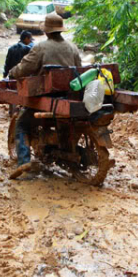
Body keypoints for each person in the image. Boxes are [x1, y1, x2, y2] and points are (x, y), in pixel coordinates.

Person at [7, 12, 82, 180]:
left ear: (47, 31)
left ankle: (24, 162)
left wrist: (12, 73)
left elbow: (25, 68)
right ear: (60, 30)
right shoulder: (72, 47)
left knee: (21, 124)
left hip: (46, 97)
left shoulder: (41, 47)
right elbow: (79, 69)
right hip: (70, 96)